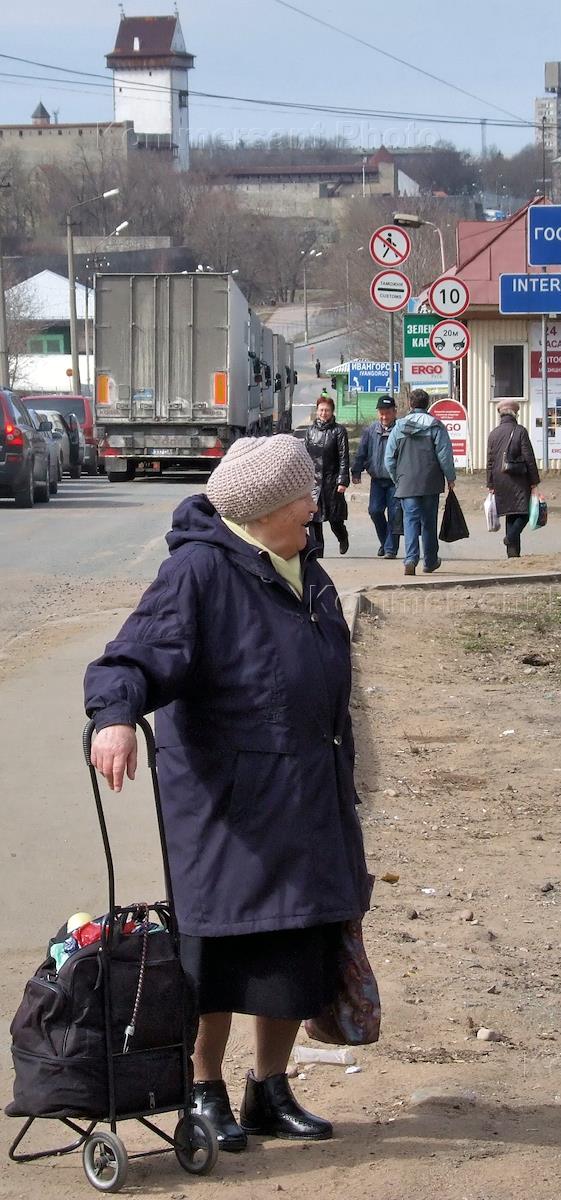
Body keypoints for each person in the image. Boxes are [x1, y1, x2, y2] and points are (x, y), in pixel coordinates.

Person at [84, 435, 371, 1153]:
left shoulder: (307, 570)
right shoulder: (198, 574)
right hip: (231, 807)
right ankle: (205, 1089)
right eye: (306, 494)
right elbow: (130, 656)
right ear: (269, 505)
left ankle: (269, 1091)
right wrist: (115, 716)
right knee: (218, 956)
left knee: (294, 948)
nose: (317, 504)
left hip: (307, 793)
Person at [384, 388, 455, 576]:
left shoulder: (399, 426)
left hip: (406, 482)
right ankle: (430, 561)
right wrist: (450, 477)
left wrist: (397, 478)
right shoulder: (436, 425)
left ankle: (411, 559)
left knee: (410, 520)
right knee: (429, 521)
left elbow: (389, 458)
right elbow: (444, 455)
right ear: (427, 404)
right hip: (430, 481)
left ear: (410, 404)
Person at [486, 400, 539, 558]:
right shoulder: (520, 431)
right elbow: (529, 457)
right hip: (518, 478)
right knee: (524, 513)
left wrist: (490, 483)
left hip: (499, 479)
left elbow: (490, 461)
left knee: (510, 513)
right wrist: (534, 481)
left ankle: (513, 554)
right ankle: (510, 538)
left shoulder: (493, 434)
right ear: (515, 414)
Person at [351, 395, 401, 559]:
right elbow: (361, 452)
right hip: (377, 479)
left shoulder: (400, 430)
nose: (384, 417)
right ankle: (386, 542)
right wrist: (356, 471)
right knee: (375, 511)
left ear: (394, 412)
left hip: (396, 481)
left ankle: (390, 549)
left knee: (394, 515)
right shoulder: (371, 430)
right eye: (381, 413)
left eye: (387, 413)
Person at [305, 394, 350, 555]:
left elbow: (344, 457)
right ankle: (318, 551)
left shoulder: (338, 431)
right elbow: (305, 456)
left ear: (332, 412)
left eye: (327, 410)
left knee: (334, 519)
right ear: (317, 411)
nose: (324, 413)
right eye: (321, 410)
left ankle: (342, 537)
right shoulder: (310, 431)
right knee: (314, 519)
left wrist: (342, 480)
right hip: (314, 482)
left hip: (332, 481)